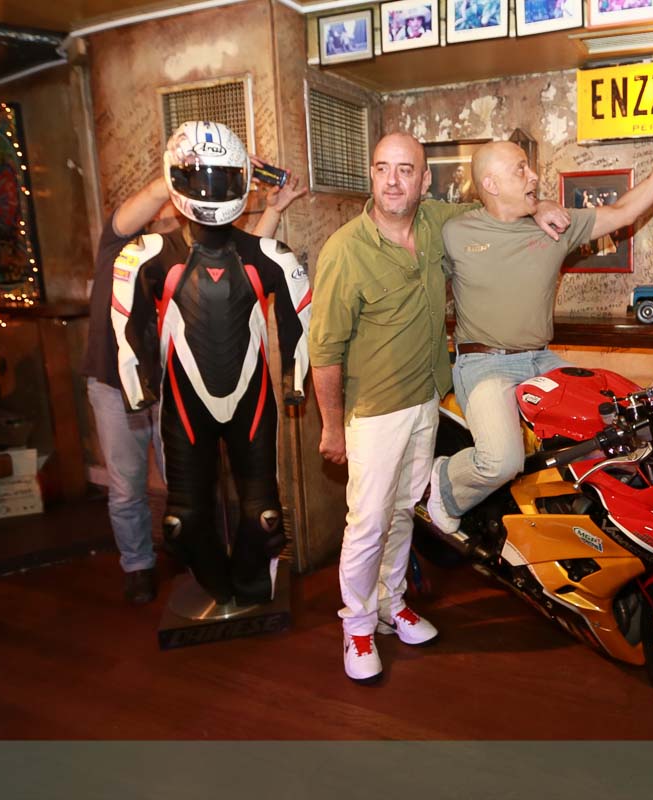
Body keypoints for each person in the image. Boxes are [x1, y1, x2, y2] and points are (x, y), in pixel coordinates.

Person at [308, 131, 569, 684]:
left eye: (405, 170)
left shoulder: (435, 223)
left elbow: (501, 201)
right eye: (383, 168)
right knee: (368, 520)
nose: (392, 181)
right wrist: (331, 426)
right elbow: (324, 351)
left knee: (405, 509)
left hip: (427, 396)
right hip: (375, 410)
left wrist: (542, 203)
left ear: (424, 181)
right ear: (371, 174)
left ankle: (392, 603)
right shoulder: (345, 250)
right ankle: (358, 624)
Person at [425, 121, 653, 537]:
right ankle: (447, 486)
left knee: (614, 427)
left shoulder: (553, 226)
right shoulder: (455, 231)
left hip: (541, 360)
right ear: (491, 184)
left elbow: (625, 211)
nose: (534, 176)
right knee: (501, 461)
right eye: (520, 169)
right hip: (484, 365)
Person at [83, 130, 306, 605]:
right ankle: (143, 569)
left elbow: (250, 263)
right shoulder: (136, 250)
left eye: (219, 179)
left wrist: (295, 376)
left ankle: (243, 585)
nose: (209, 189)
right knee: (171, 513)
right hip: (146, 391)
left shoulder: (258, 254)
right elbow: (131, 319)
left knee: (261, 515)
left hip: (226, 397)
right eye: (199, 178)